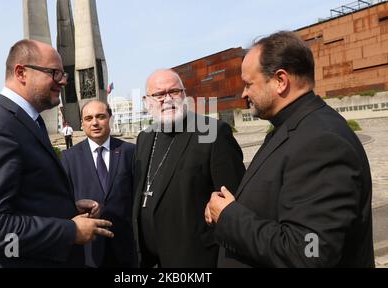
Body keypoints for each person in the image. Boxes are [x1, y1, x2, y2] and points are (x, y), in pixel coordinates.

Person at [205, 31, 374, 267]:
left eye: (248, 84)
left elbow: (308, 251)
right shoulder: (292, 127)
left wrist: (229, 216)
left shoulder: (321, 142)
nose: (244, 94)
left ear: (280, 81)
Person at [0, 39, 114, 268]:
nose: (63, 81)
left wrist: (64, 209)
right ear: (21, 72)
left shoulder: (24, 122)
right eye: (55, 73)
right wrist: (69, 231)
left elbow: (22, 197)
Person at [132, 69, 246, 267]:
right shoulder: (145, 137)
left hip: (195, 259)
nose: (167, 99)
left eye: (174, 91)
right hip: (149, 260)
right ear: (146, 100)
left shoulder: (213, 133)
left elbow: (235, 202)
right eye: (159, 94)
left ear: (184, 95)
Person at [61, 100, 136, 267]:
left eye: (100, 116)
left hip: (124, 245)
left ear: (110, 118)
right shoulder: (69, 157)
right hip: (88, 248)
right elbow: (63, 200)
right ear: (82, 124)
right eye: (88, 118)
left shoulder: (130, 152)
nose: (94, 122)